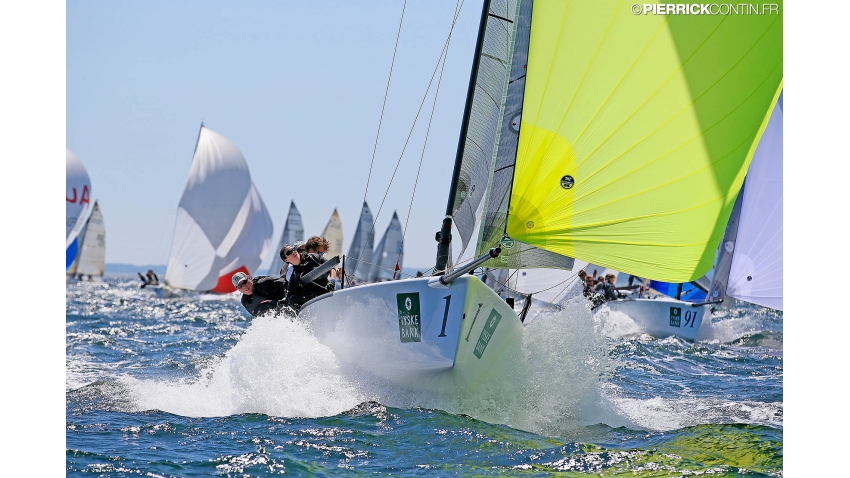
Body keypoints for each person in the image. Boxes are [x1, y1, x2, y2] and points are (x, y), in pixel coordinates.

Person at [281, 244, 335, 310]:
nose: (293, 252)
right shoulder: (294, 275)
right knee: (292, 298)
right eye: (289, 252)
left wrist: (332, 281)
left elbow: (332, 267)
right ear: (286, 260)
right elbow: (289, 296)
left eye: (293, 249)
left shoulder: (314, 257)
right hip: (314, 302)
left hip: (328, 293)